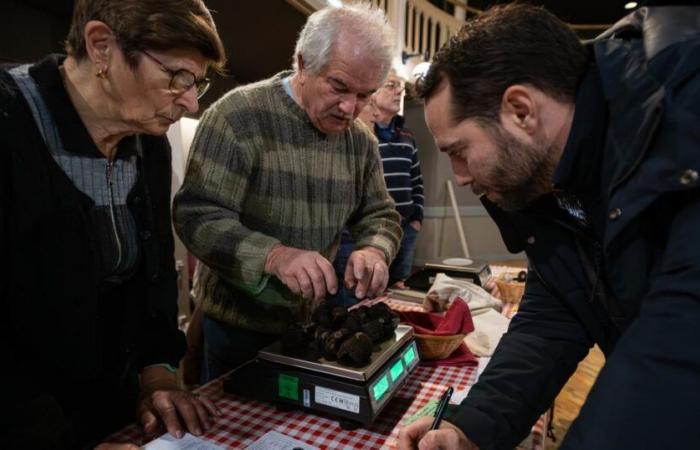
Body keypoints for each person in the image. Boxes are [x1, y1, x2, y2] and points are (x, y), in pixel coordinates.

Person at [399, 3, 700, 450]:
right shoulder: (550, 183)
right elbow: (553, 316)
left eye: (458, 150)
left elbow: (676, 358)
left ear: (521, 111)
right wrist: (470, 429)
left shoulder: (685, 112)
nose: (459, 176)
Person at [0, 0, 226, 448]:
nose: (189, 100)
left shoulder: (148, 143)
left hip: (109, 413)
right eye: (176, 76)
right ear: (102, 46)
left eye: (198, 82)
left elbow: (155, 273)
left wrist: (158, 374)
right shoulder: (11, 122)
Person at [173, 3, 402, 383]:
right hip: (236, 330)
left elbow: (381, 214)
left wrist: (375, 249)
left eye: (365, 95)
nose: (350, 108)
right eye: (339, 87)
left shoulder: (360, 141)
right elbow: (197, 216)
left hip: (314, 325)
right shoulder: (238, 116)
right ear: (302, 63)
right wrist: (273, 255)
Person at [332, 69, 424, 307]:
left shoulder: (405, 136)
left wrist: (416, 217)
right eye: (391, 85)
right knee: (357, 297)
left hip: (397, 227)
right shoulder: (351, 144)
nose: (372, 114)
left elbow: (416, 179)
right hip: (355, 235)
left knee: (394, 291)